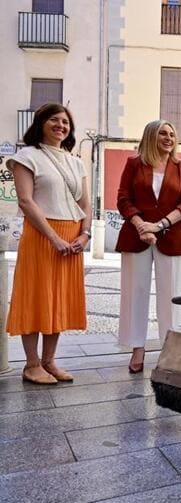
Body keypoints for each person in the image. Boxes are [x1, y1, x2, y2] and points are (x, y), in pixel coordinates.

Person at [5, 103, 91, 384]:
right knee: (36, 297)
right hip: (42, 236)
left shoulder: (75, 161)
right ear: (40, 123)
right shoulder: (26, 156)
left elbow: (85, 203)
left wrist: (84, 234)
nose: (60, 125)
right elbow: (26, 201)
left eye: (65, 121)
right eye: (54, 119)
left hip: (72, 237)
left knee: (58, 300)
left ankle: (49, 361)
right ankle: (31, 365)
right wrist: (53, 238)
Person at [115, 120, 181, 373]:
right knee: (134, 292)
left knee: (171, 295)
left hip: (171, 236)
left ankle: (169, 349)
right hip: (135, 235)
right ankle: (137, 348)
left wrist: (158, 226)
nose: (169, 138)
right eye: (163, 133)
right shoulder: (134, 164)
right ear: (151, 136)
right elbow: (123, 198)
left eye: (172, 134)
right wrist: (141, 225)